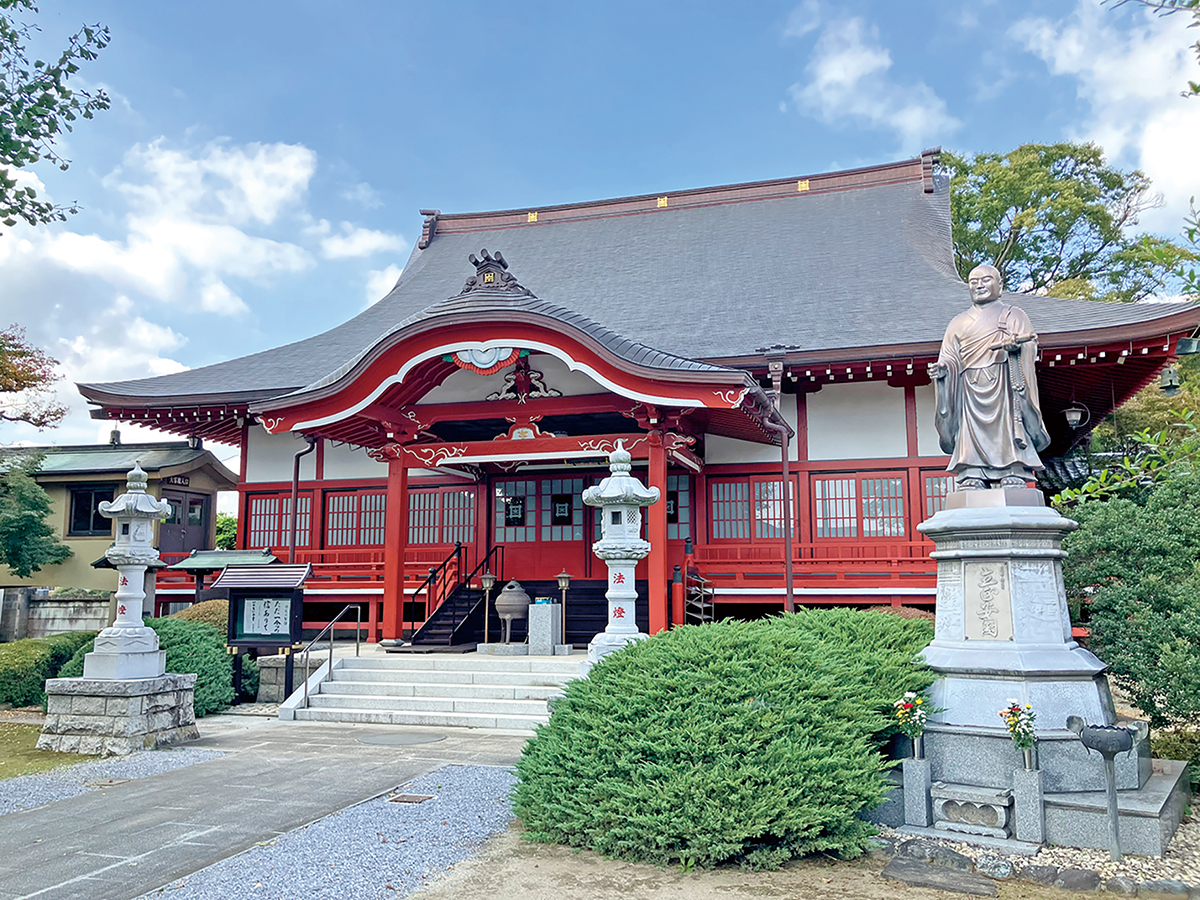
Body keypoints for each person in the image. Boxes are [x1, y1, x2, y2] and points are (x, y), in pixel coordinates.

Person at [928, 264, 1050, 489]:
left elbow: (1029, 346)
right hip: (968, 386)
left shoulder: (1014, 315)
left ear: (1000, 285)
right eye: (974, 282)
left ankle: (1012, 468)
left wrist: (1017, 350)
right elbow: (949, 357)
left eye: (985, 280)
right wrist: (943, 370)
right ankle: (973, 471)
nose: (979, 285)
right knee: (970, 429)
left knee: (1004, 425)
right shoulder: (958, 322)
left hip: (1002, 380)